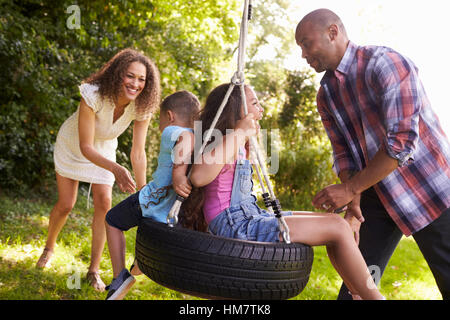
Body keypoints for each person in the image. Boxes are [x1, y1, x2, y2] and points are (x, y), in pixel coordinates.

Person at [295, 9, 450, 300]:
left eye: (306, 43)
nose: (303, 54)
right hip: (376, 197)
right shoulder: (326, 94)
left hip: (431, 190)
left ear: (333, 33)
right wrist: (353, 196)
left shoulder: (385, 64)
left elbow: (402, 142)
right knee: (358, 287)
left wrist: (351, 187)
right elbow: (342, 151)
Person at [183, 83, 385, 300]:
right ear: (235, 109)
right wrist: (240, 132)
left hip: (250, 215)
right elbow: (198, 177)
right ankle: (373, 298)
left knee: (338, 225)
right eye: (254, 103)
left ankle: (359, 295)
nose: (261, 108)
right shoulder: (223, 141)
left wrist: (242, 136)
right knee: (337, 227)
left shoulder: (238, 143)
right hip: (234, 224)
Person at [36, 48, 161, 291]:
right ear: (118, 75)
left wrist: (143, 190)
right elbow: (85, 146)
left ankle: (93, 271)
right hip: (73, 146)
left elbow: (138, 152)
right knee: (66, 204)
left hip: (103, 147)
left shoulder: (141, 106)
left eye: (141, 79)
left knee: (104, 203)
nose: (135, 84)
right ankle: (49, 247)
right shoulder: (93, 95)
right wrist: (117, 170)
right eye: (130, 76)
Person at [104, 90, 200, 300]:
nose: (159, 126)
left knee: (112, 220)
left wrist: (178, 172)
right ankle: (140, 263)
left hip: (149, 200)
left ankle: (121, 276)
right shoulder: (201, 139)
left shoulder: (175, 131)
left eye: (160, 120)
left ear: (170, 116)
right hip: (173, 211)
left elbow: (185, 137)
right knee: (151, 230)